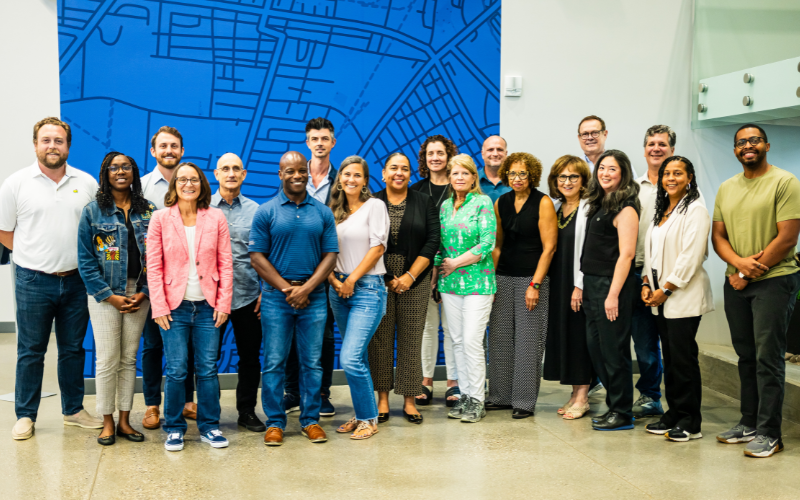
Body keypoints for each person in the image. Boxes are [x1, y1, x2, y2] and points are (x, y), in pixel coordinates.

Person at [1, 117, 102, 440]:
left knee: (73, 349)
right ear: (35, 145)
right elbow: (4, 231)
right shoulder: (16, 183)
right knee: (31, 350)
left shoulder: (86, 183)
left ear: (68, 146)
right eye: (46, 140)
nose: (52, 146)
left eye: (58, 141)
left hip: (76, 280)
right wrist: (33, 255)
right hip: (33, 281)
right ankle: (26, 415)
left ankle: (73, 410)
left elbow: (98, 230)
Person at [712, 124, 800, 458]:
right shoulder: (727, 187)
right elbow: (718, 236)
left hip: (775, 281)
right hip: (736, 281)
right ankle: (748, 421)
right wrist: (737, 266)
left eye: (754, 140)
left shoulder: (784, 181)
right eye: (741, 142)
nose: (747, 146)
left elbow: (787, 238)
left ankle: (770, 433)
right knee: (746, 356)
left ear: (766, 145)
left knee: (768, 358)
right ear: (735, 150)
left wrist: (746, 272)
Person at [250, 151, 338, 447]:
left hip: (313, 299)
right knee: (275, 362)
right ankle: (275, 422)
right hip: (277, 298)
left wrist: (307, 289)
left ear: (308, 174)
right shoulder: (266, 211)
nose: (297, 175)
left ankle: (310, 420)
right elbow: (257, 257)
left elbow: (331, 255)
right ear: (280, 174)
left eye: (302, 170)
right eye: (290, 171)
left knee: (313, 363)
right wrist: (289, 290)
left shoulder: (322, 212)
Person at [147, 162, 233, 451]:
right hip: (174, 307)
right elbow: (154, 267)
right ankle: (174, 427)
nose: (188, 184)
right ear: (175, 186)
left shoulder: (216, 217)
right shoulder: (160, 218)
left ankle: (209, 427)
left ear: (202, 184)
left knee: (207, 369)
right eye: (182, 180)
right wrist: (158, 306)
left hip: (208, 306)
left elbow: (226, 263)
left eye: (194, 179)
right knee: (176, 369)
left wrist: (224, 303)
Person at [78, 152, 155, 446]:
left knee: (128, 358)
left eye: (126, 167)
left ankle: (125, 420)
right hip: (104, 294)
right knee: (108, 358)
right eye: (115, 167)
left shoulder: (149, 210)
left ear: (134, 173)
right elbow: (86, 262)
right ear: (106, 174)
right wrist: (110, 297)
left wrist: (143, 291)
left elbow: (159, 256)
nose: (121, 171)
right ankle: (107, 421)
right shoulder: (92, 212)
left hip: (139, 292)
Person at [641, 156, 714, 442]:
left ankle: (690, 421)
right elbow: (651, 253)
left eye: (678, 173)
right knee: (669, 358)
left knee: (683, 359)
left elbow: (691, 256)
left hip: (682, 295)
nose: (670, 178)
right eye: (666, 173)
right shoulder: (663, 210)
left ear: (690, 178)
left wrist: (666, 289)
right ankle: (674, 412)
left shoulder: (695, 210)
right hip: (660, 295)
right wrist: (647, 283)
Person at [371, 153, 440, 424]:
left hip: (417, 277)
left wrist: (410, 276)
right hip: (378, 277)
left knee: (412, 340)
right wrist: (388, 276)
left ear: (410, 174)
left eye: (405, 169)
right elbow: (368, 240)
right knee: (381, 340)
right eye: (393, 168)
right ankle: (383, 399)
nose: (399, 173)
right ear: (383, 173)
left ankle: (410, 400)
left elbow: (433, 239)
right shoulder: (373, 202)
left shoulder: (424, 201)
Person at [487, 153, 556, 419]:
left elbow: (549, 248)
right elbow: (497, 245)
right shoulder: (501, 203)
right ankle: (500, 396)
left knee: (528, 342)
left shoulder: (543, 203)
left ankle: (524, 401)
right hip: (503, 278)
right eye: (513, 174)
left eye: (523, 174)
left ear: (532, 176)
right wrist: (492, 279)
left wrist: (535, 284)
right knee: (501, 340)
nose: (517, 179)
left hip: (532, 279)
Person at [139, 126, 197, 429]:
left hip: (187, 285)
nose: (169, 151)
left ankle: (188, 402)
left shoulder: (193, 185)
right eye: (163, 146)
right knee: (152, 346)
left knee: (185, 347)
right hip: (152, 283)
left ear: (182, 150)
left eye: (174, 146)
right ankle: (152, 405)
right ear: (153, 151)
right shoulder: (143, 187)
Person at [328, 156, 389, 439]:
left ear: (365, 180)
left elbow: (378, 248)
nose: (350, 179)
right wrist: (335, 281)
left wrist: (351, 280)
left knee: (350, 357)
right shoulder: (334, 212)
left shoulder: (375, 206)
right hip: (337, 289)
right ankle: (362, 412)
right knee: (358, 357)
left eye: (357, 175)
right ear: (339, 178)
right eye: (346, 174)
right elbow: (325, 252)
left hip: (366, 288)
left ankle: (368, 419)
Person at [581, 150, 640, 431]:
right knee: (597, 348)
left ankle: (623, 412)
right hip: (592, 283)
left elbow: (626, 255)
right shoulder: (600, 203)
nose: (605, 173)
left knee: (615, 351)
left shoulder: (626, 209)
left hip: (610, 286)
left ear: (623, 174)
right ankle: (616, 405)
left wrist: (613, 294)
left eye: (612, 169)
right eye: (602, 168)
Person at [436, 154, 497, 423]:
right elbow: (441, 247)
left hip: (478, 283)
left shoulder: (483, 202)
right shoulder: (445, 206)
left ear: (474, 177)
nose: (459, 178)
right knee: (457, 340)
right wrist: (440, 268)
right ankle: (464, 394)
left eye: (465, 173)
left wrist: (454, 263)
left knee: (472, 341)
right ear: (449, 177)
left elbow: (487, 244)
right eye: (455, 173)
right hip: (449, 284)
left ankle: (477, 399)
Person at [284, 117, 338, 416]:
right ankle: (292, 392)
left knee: (325, 335)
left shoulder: (342, 179)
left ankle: (322, 394)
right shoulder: (294, 175)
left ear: (333, 143)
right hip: (296, 267)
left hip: (330, 268)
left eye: (325, 138)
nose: (319, 143)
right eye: (314, 138)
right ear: (307, 143)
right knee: (292, 332)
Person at [211, 153, 265, 433]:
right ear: (216, 174)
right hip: (210, 299)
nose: (231, 173)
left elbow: (265, 255)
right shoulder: (201, 207)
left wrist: (264, 291)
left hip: (248, 296)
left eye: (236, 169)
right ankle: (210, 413)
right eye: (225, 169)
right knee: (207, 359)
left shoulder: (257, 211)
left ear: (244, 174)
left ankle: (246, 411)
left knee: (250, 357)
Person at [410, 134, 461, 406]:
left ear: (449, 155)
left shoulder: (458, 188)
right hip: (423, 268)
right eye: (430, 153)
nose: (435, 158)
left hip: (455, 268)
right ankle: (425, 380)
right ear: (424, 158)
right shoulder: (416, 190)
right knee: (427, 327)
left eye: (440, 153)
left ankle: (453, 382)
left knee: (452, 327)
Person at [630, 126, 677, 419]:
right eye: (651, 144)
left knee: (673, 345)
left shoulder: (680, 187)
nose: (656, 148)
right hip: (637, 274)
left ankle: (680, 403)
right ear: (644, 149)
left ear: (671, 149)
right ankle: (650, 397)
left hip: (670, 278)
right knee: (645, 345)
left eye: (662, 144)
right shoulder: (633, 188)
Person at [542, 156, 594, 420]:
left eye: (574, 176)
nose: (567, 181)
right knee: (566, 336)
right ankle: (575, 392)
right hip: (558, 283)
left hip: (577, 284)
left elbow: (591, 251)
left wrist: (580, 285)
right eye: (562, 177)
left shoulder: (590, 208)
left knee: (579, 339)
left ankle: (583, 396)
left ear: (583, 179)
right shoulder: (555, 207)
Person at [478, 135, 511, 203]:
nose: (495, 154)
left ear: (506, 154)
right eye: (490, 150)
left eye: (500, 149)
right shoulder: (471, 180)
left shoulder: (517, 181)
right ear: (482, 154)